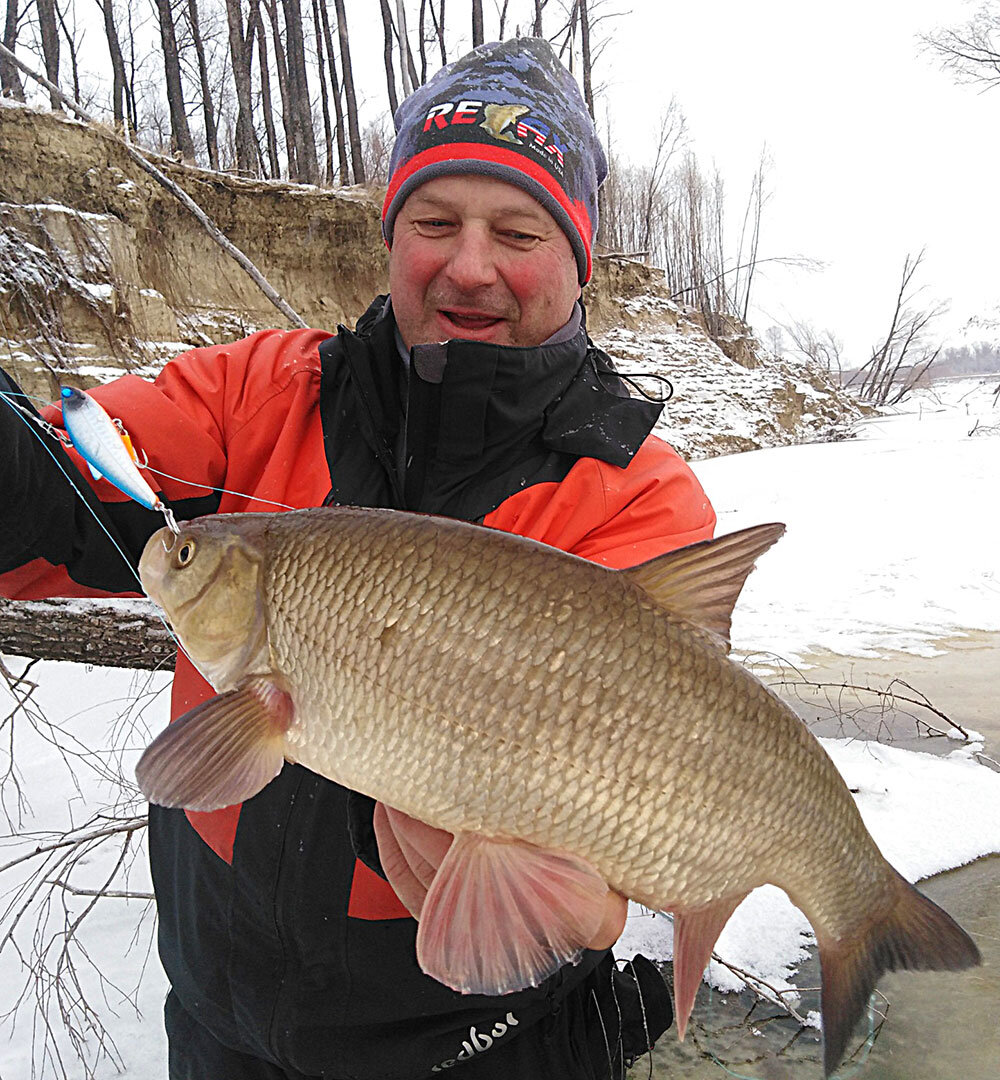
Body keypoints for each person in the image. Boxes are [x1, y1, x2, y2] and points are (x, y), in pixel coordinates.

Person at [0, 38, 715, 1080]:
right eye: (433, 222)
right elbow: (55, 499)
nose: (468, 265)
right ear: (389, 238)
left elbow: (631, 813)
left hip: (481, 1043)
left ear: (579, 260)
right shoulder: (257, 394)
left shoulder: (637, 494)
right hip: (220, 1019)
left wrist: (566, 890)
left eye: (516, 230)